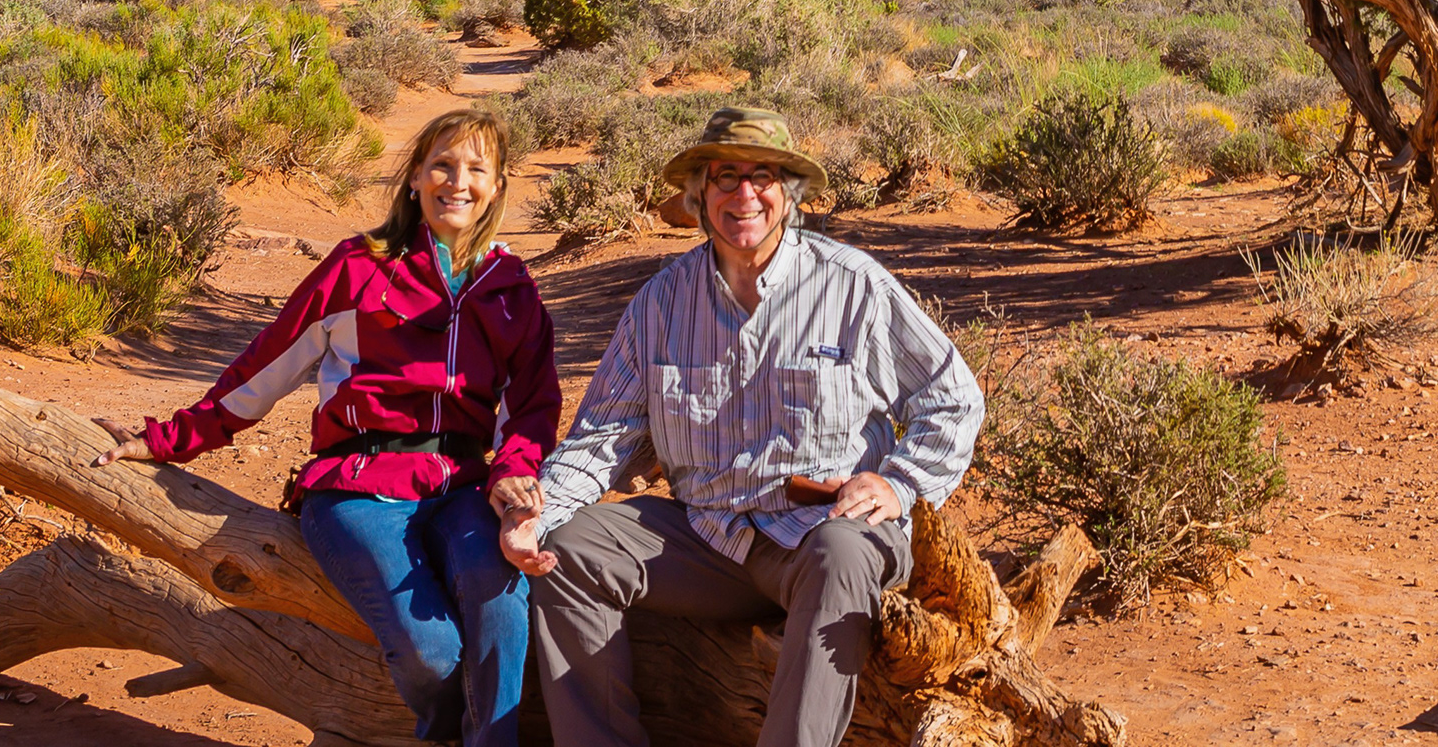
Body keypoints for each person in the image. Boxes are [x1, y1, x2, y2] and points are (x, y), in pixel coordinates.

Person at [498, 106, 982, 747]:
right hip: (711, 537)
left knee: (841, 556)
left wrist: (898, 483)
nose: (745, 194)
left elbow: (953, 398)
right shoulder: (661, 303)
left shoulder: (852, 286)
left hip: (823, 532)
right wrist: (539, 510)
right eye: (726, 177)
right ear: (699, 194)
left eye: (765, 176)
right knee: (570, 550)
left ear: (791, 194)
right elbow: (603, 437)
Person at [96, 108, 554, 746]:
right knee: (430, 652)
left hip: (462, 488)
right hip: (357, 489)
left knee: (498, 596)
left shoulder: (509, 287)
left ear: (498, 186)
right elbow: (265, 369)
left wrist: (511, 481)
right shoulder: (358, 267)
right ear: (416, 178)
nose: (459, 181)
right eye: (443, 165)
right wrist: (169, 438)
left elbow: (531, 408)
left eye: (478, 169)